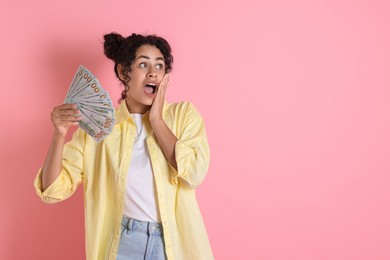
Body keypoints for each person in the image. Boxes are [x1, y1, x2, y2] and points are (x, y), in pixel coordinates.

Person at [34, 32, 214, 260]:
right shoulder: (97, 129)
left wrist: (157, 120)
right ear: (123, 71)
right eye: (143, 64)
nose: (152, 72)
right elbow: (52, 191)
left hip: (173, 244)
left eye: (159, 66)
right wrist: (59, 135)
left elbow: (194, 174)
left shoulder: (183, 115)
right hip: (123, 243)